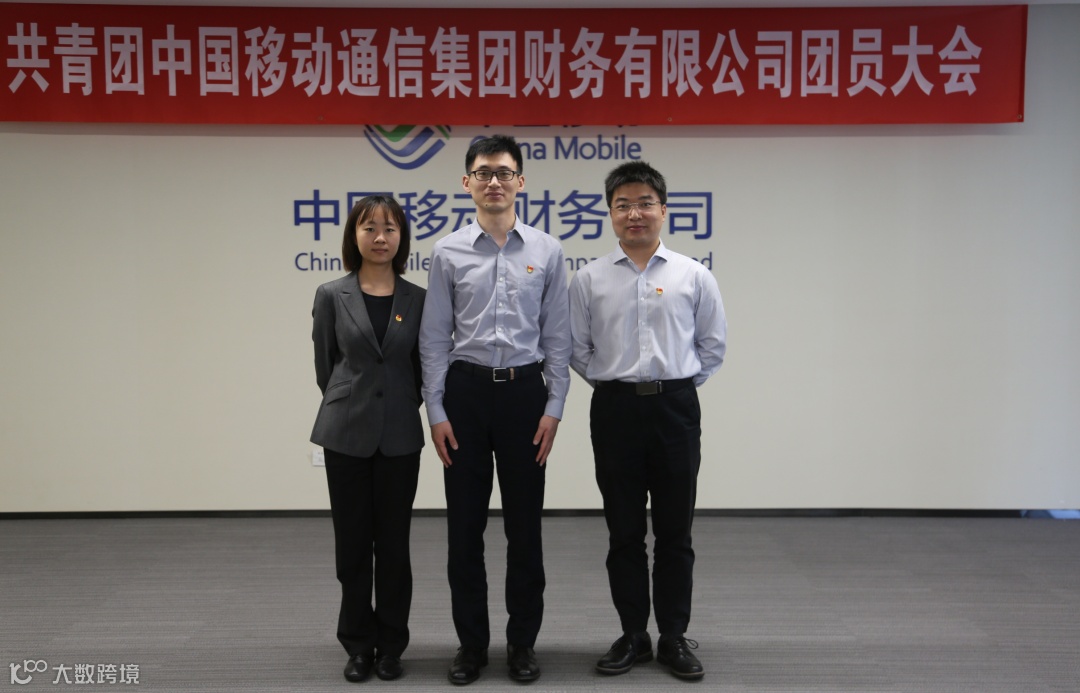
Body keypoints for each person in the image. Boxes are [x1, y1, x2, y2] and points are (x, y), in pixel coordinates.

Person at [419, 134, 571, 685]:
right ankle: (472, 646)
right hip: (465, 396)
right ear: (467, 183)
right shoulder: (447, 252)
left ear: (520, 182)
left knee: (525, 530)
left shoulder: (547, 251)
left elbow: (558, 337)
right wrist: (436, 410)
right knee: (465, 530)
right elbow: (434, 337)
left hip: (525, 396)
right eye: (483, 172)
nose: (494, 182)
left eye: (504, 172)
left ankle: (522, 644)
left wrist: (554, 406)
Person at [568, 161, 726, 682]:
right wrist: (617, 385)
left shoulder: (693, 275)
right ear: (610, 214)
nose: (634, 213)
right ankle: (633, 634)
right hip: (614, 409)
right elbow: (577, 348)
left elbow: (712, 346)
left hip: (675, 409)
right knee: (624, 531)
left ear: (663, 210)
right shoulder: (588, 278)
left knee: (676, 532)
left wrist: (671, 387)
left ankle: (673, 636)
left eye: (644, 204)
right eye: (623, 205)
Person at [310, 195, 426, 683]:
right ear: (353, 236)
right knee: (353, 545)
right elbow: (326, 365)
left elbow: (422, 367)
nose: (380, 237)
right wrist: (353, 403)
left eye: (390, 228)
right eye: (369, 228)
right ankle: (358, 645)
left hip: (400, 435)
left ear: (402, 238)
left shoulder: (418, 298)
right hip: (345, 434)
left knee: (394, 547)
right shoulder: (331, 294)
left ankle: (391, 646)